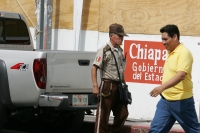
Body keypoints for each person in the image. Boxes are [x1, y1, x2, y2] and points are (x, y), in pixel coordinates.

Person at [149, 24, 200, 133]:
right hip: (165, 101)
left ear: (175, 37)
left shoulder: (184, 53)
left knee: (194, 131)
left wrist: (161, 87)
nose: (163, 42)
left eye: (165, 39)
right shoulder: (170, 51)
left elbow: (181, 75)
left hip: (182, 102)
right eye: (162, 39)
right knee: (155, 131)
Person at [91, 23, 129, 133]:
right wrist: (95, 86)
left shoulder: (120, 51)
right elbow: (94, 68)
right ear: (111, 36)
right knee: (103, 115)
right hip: (107, 86)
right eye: (119, 36)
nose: (121, 38)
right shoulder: (104, 50)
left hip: (118, 86)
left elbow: (121, 70)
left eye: (122, 36)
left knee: (123, 113)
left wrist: (124, 85)